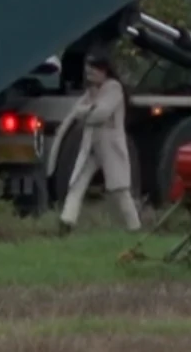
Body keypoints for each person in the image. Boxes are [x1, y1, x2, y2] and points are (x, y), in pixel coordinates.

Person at [59, 53, 141, 234]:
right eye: (88, 70)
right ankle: (66, 222)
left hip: (110, 146)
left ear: (104, 70)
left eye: (93, 69)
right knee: (77, 182)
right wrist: (89, 110)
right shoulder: (92, 91)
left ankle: (134, 227)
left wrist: (87, 111)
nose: (90, 73)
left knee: (120, 189)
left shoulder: (113, 88)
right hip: (92, 145)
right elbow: (75, 112)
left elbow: (101, 113)